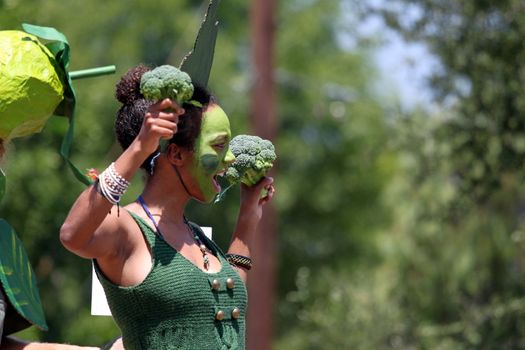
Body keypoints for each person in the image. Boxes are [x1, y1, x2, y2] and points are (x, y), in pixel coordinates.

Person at [60, 65, 275, 349]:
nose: (231, 158)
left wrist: (248, 215)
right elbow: (72, 234)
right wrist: (139, 148)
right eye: (219, 145)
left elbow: (225, 301)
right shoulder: (128, 229)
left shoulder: (196, 235)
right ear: (175, 153)